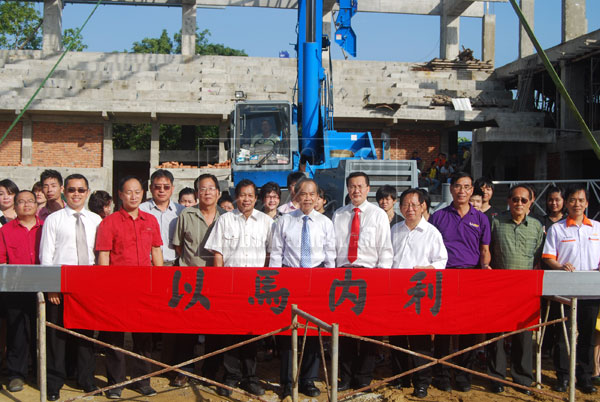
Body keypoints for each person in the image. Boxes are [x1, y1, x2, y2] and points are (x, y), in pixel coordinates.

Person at [95, 176, 163, 399]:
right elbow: (103, 255)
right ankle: (115, 383)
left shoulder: (151, 221)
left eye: (137, 192)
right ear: (120, 195)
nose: (133, 196)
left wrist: (159, 281)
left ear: (143, 194)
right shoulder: (109, 222)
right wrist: (105, 286)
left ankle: (143, 380)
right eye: (128, 192)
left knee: (143, 337)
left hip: (144, 288)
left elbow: (156, 252)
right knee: (114, 337)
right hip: (117, 289)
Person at [205, 179, 273, 397]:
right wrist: (220, 283)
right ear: (236, 197)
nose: (246, 199)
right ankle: (231, 376)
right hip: (230, 286)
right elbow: (218, 253)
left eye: (250, 195)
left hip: (255, 287)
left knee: (252, 333)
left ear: (256, 198)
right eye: (242, 195)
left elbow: (271, 254)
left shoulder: (266, 222)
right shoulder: (225, 220)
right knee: (230, 333)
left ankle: (250, 377)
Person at [269, 178, 335, 398]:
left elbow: (330, 255)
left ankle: (308, 379)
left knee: (313, 330)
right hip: (289, 278)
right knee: (289, 331)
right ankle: (287, 381)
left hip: (316, 278)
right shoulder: (285, 221)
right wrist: (276, 280)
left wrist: (328, 280)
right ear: (296, 196)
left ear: (318, 197)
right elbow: (277, 253)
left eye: (312, 194)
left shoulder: (325, 222)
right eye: (303, 194)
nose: (307, 198)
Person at [39, 174, 102, 401]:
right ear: (65, 191)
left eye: (81, 190)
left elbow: (100, 255)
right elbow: (46, 255)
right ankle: (55, 382)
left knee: (85, 335)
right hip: (61, 283)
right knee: (57, 335)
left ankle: (85, 379)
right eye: (72, 190)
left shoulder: (96, 220)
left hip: (87, 284)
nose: (76, 194)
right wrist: (52, 287)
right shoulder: (54, 220)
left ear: (87, 192)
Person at [429, 172, 491, 393]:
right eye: (458, 186)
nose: (462, 191)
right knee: (444, 328)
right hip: (444, 277)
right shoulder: (438, 217)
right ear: (451, 189)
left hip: (471, 278)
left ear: (472, 189)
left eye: (466, 187)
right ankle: (442, 372)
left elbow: (485, 251)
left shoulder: (481, 218)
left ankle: (463, 374)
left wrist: (485, 268)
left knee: (467, 329)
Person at [332, 172, 393, 390]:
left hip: (370, 277)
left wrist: (381, 279)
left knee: (368, 330)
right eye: (352, 186)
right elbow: (332, 249)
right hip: (343, 277)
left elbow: (385, 248)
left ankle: (364, 376)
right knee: (345, 330)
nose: (356, 190)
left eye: (360, 186)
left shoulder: (378, 215)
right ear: (347, 189)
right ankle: (346, 377)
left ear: (368, 189)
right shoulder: (339, 214)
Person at [389, 188, 447, 398]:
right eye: (406, 204)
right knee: (397, 338)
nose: (410, 208)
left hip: (419, 294)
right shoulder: (395, 230)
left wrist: (423, 270)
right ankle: (399, 377)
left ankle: (421, 382)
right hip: (396, 292)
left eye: (415, 204)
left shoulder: (432, 233)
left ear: (423, 206)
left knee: (420, 341)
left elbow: (441, 262)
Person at [487, 185, 544, 396]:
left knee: (524, 335)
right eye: (515, 199)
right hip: (500, 287)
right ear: (508, 201)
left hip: (526, 290)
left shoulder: (537, 226)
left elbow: (537, 256)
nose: (518, 203)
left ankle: (522, 378)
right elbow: (489, 250)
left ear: (530, 202)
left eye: (523, 200)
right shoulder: (496, 222)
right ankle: (496, 377)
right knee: (497, 334)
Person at [543, 185, 600, 394]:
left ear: (587, 203)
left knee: (586, 335)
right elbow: (549, 257)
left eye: (581, 200)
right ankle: (563, 376)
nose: (577, 204)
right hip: (565, 290)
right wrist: (561, 266)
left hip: (591, 290)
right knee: (563, 335)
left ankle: (584, 377)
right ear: (566, 203)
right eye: (573, 200)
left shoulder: (597, 228)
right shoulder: (557, 229)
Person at [171, 174, 223, 388]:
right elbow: (179, 246)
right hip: (190, 279)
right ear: (197, 193)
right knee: (186, 329)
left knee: (215, 328)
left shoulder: (226, 217)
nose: (207, 192)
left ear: (218, 193)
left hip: (217, 279)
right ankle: (184, 370)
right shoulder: (186, 215)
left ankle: (211, 371)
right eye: (202, 189)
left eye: (211, 188)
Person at [0, 190, 41, 394]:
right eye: (21, 202)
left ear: (36, 204)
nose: (26, 205)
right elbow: (2, 259)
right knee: (17, 333)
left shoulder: (45, 228)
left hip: (42, 289)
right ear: (15, 206)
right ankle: (17, 374)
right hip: (15, 290)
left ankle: (40, 373)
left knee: (40, 332)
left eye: (30, 201)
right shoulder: (6, 230)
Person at [140, 169, 185, 266]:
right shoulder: (141, 210)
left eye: (166, 187)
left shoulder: (181, 211)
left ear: (172, 188)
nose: (162, 190)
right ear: (151, 188)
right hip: (148, 264)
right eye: (157, 187)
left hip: (174, 263)